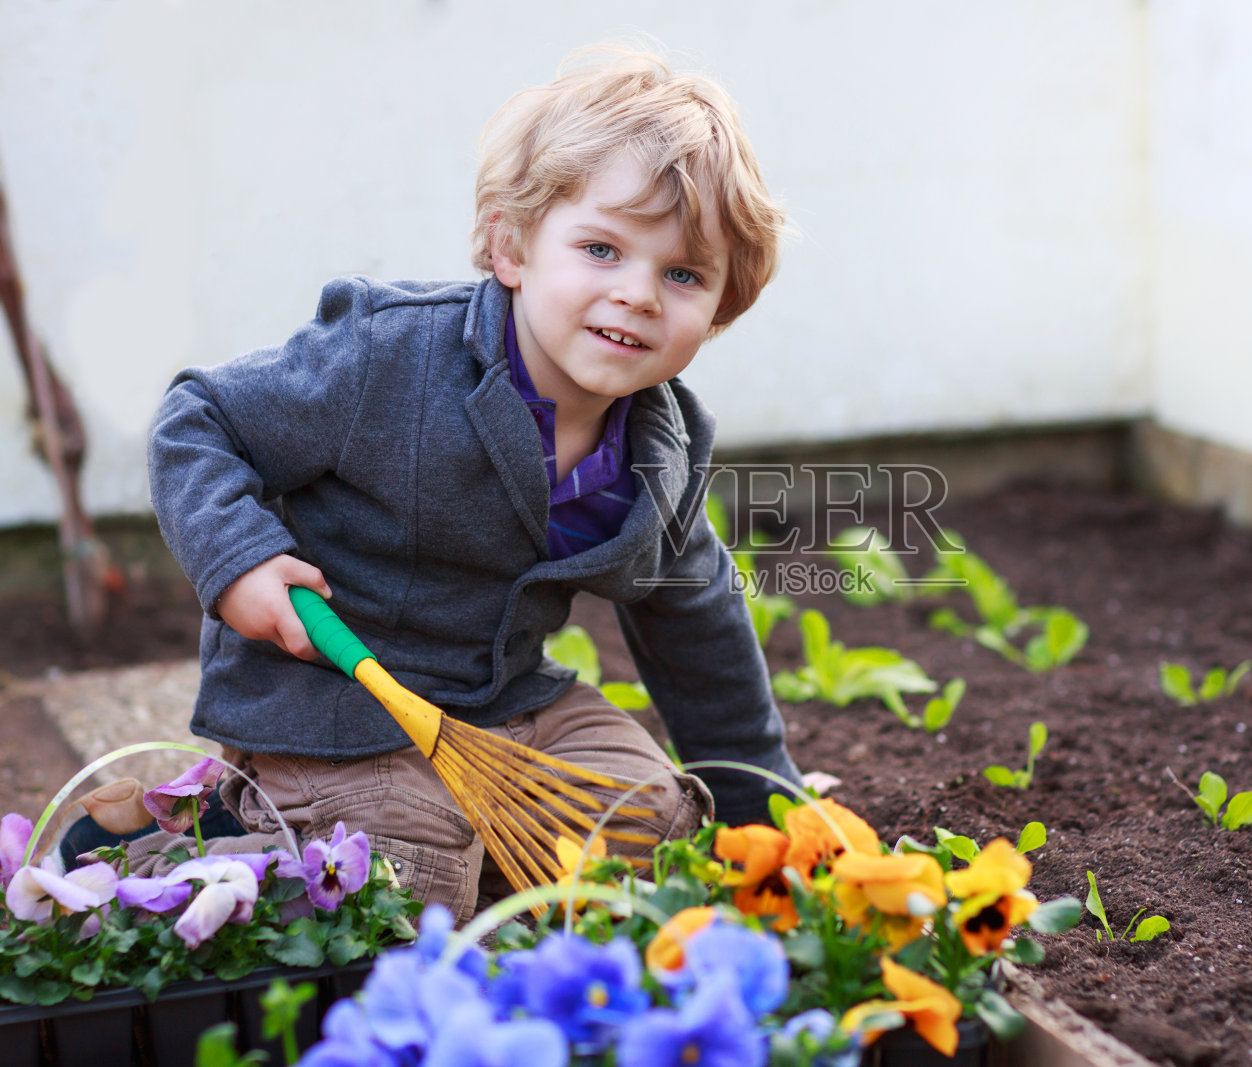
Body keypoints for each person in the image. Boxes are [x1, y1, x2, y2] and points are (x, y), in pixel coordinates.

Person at [133, 47, 802, 922]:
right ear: (510, 245)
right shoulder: (389, 355)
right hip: (335, 700)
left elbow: (697, 623)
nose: (638, 293)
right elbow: (199, 418)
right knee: (403, 864)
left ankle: (472, 853)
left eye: (681, 273)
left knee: (654, 835)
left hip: (506, 709)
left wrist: (767, 810)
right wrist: (239, 560)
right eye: (602, 249)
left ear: (717, 308)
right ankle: (221, 824)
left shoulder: (655, 451)